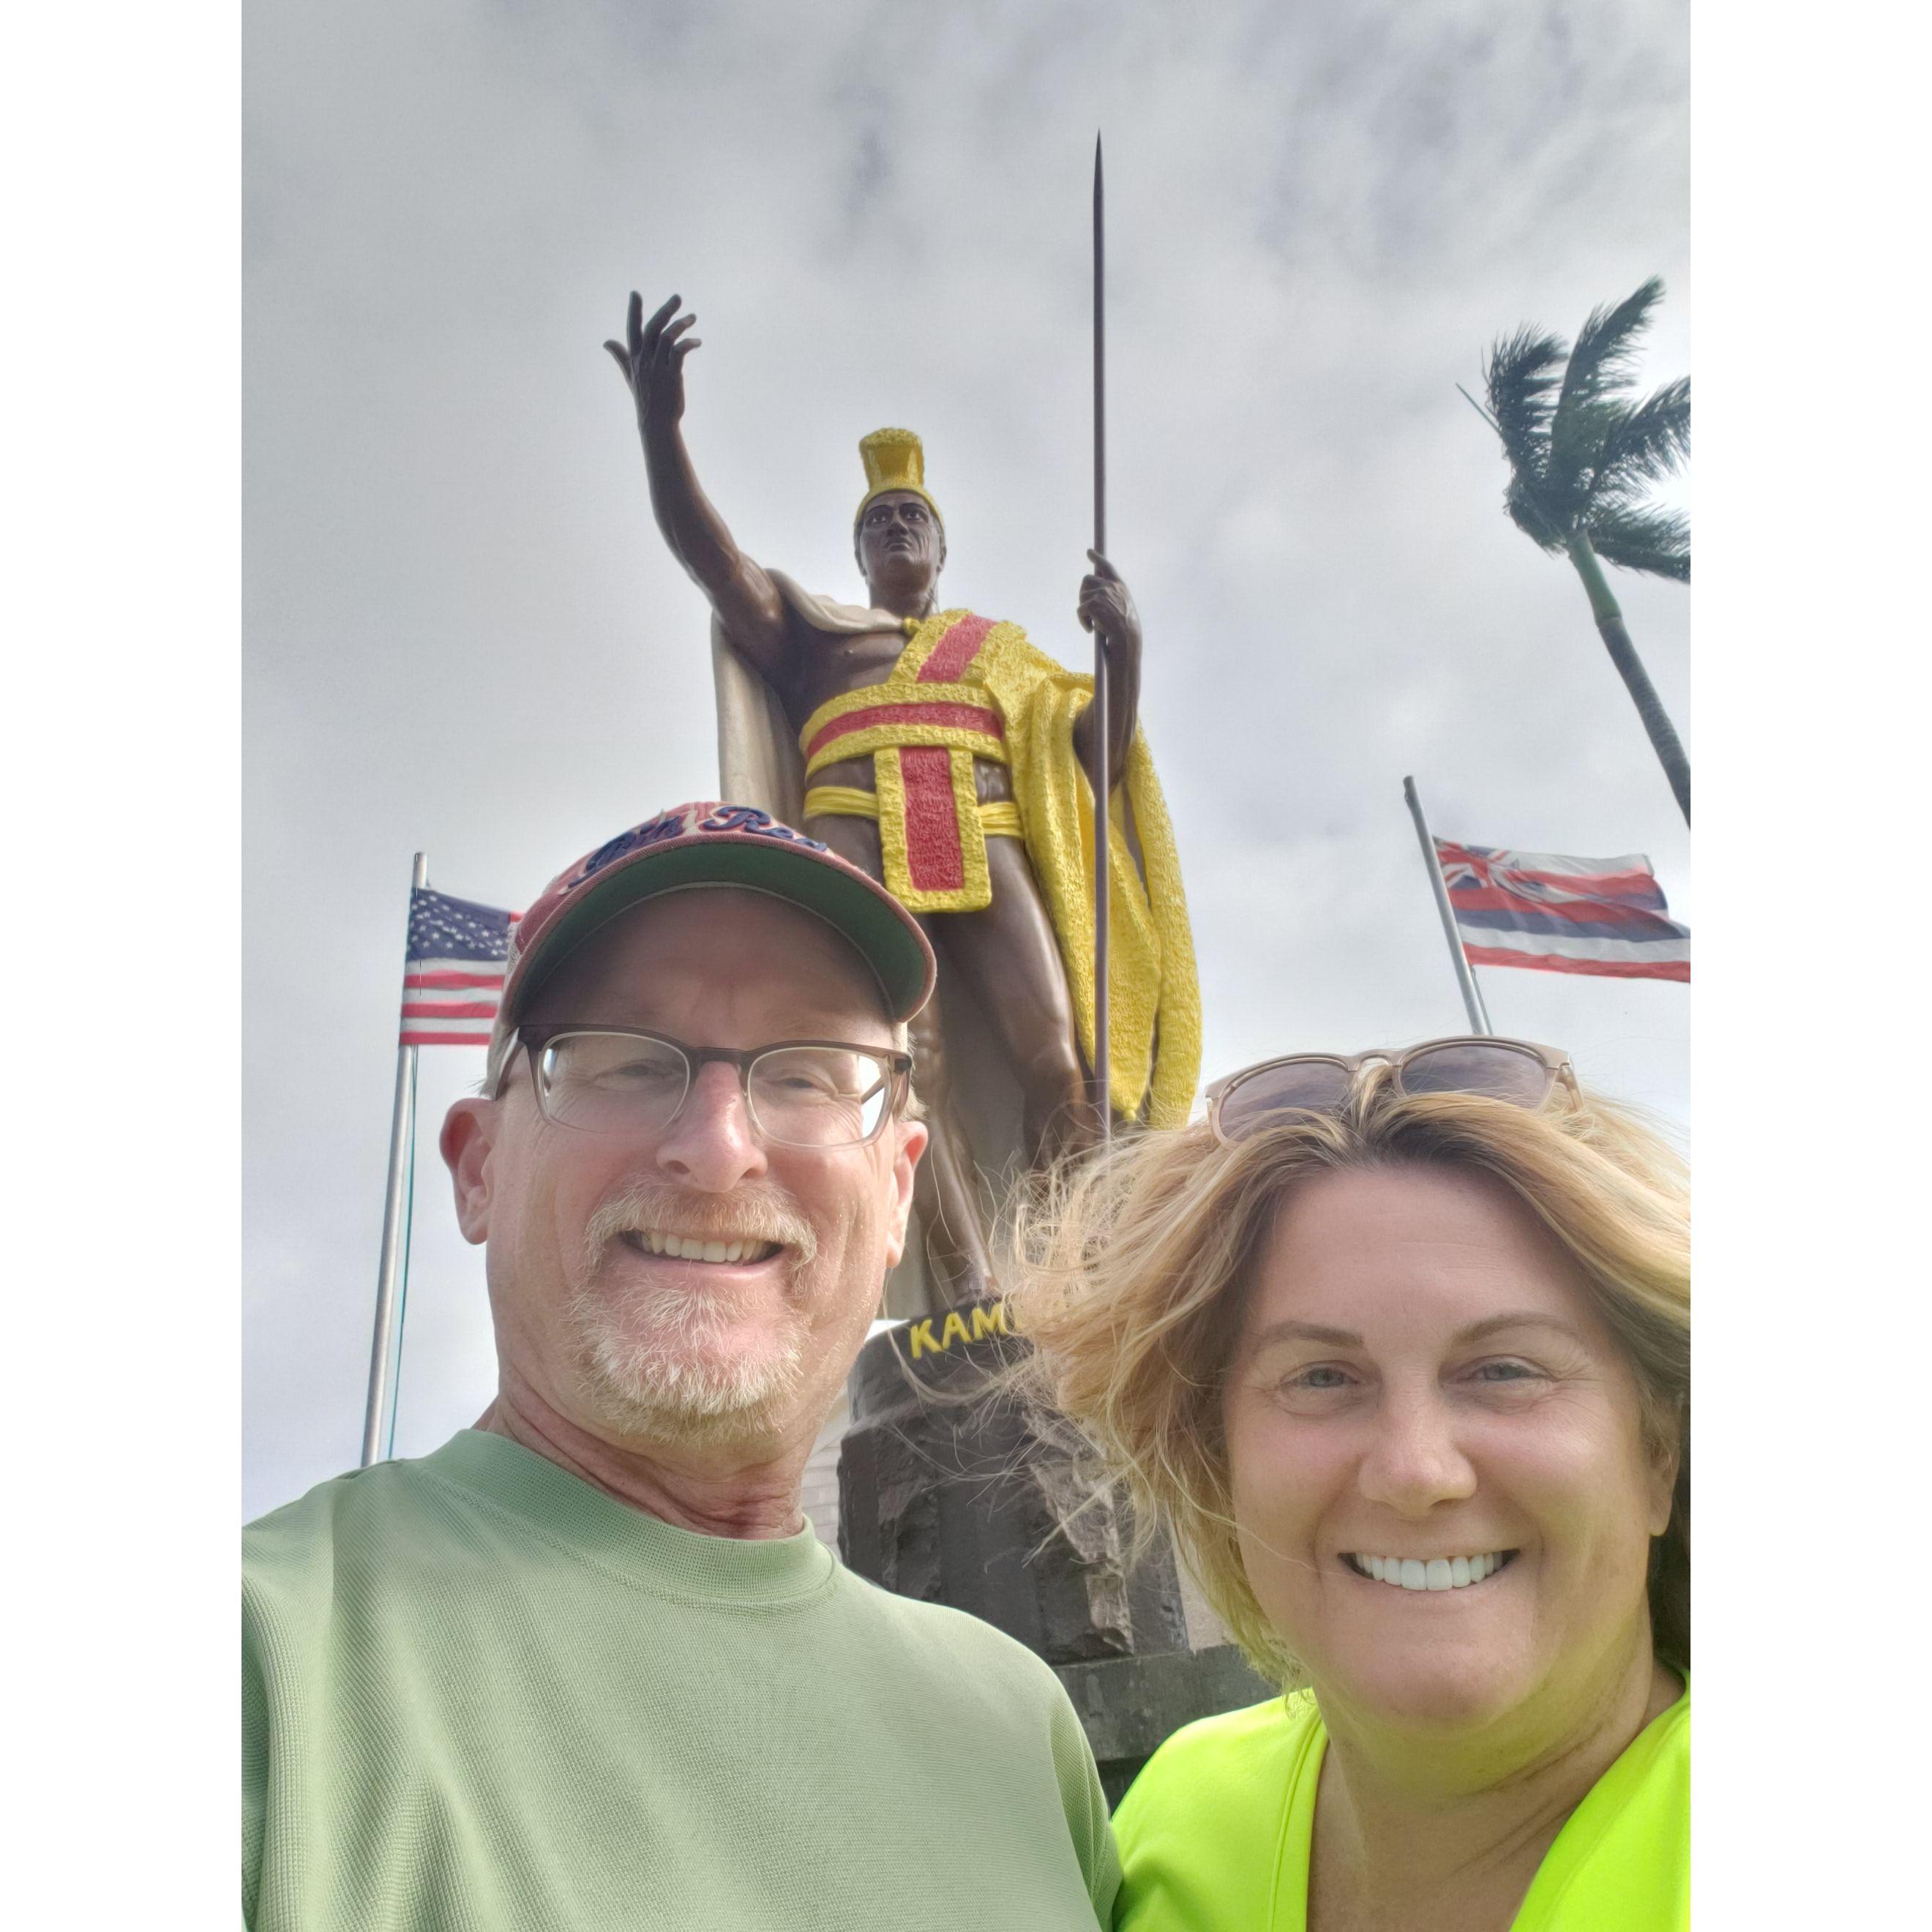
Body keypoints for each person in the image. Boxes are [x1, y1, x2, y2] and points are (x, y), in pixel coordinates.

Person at [243, 801, 1120, 1932]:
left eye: (807, 1074)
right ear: (478, 1168)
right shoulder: (254, 1671)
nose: (718, 1150)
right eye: (620, 1063)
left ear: (899, 1188)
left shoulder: (1021, 1738)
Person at [1008, 1037, 1689, 1931]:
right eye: (1322, 1378)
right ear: (1219, 1459)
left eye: (1505, 1370)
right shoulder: (1178, 1816)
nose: (1414, 1471)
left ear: (1657, 1452)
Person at [604, 292, 1200, 1295]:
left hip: (986, 830)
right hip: (857, 827)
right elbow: (714, 561)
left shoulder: (1000, 656)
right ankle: (967, 1285)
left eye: (911, 516)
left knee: (1059, 1054)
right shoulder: (818, 634)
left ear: (939, 547)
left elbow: (1093, 761)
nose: (894, 526)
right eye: (878, 519)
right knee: (903, 1062)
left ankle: (1079, 1272)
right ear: (858, 553)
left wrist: (1124, 652)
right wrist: (661, 434)